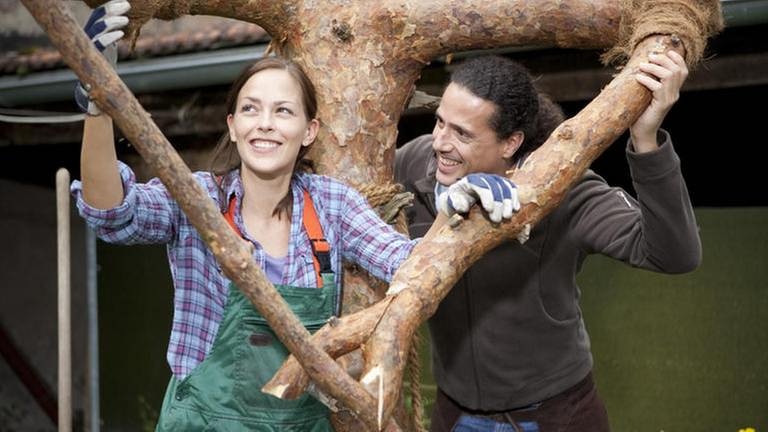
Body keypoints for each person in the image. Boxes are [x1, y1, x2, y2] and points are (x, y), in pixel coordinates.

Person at [70, 2, 521, 430]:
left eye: (283, 111)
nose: (265, 123)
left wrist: (466, 202)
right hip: (203, 423)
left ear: (309, 132)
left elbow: (409, 264)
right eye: (251, 109)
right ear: (233, 125)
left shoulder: (331, 204)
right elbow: (112, 212)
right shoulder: (197, 197)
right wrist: (99, 108)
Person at [395, 54, 702, 432]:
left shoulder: (566, 190)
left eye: (462, 133)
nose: (440, 142)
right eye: (440, 121)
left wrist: (646, 141)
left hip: (553, 415)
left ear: (511, 142)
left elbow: (675, 254)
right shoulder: (419, 165)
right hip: (454, 412)